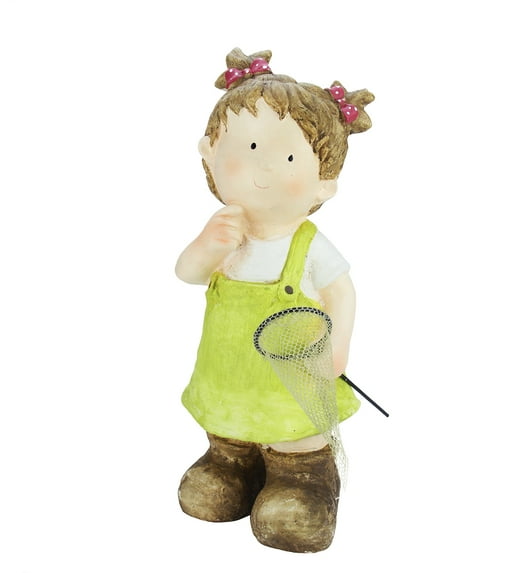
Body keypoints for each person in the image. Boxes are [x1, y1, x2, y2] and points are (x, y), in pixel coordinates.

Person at [175, 48, 374, 553]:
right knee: (224, 442)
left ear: (324, 184)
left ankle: (301, 478)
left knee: (294, 432)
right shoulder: (225, 234)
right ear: (209, 154)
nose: (262, 167)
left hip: (292, 378)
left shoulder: (309, 245)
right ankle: (231, 463)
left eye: (287, 158)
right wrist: (205, 248)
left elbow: (342, 292)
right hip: (229, 380)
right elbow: (188, 274)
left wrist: (337, 350)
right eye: (248, 146)